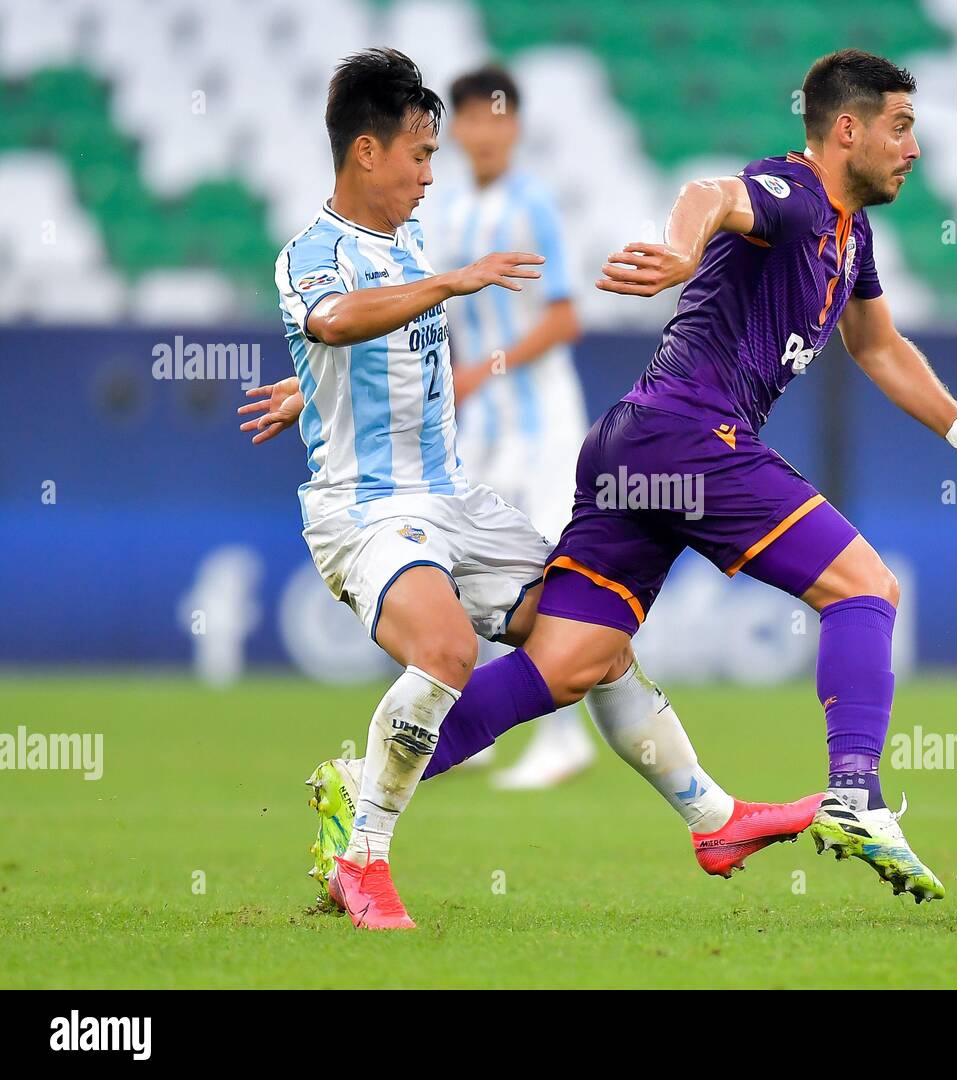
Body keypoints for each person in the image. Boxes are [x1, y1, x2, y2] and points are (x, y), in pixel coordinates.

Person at [248, 47, 822, 931]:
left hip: (454, 500)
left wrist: (306, 385)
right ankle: (361, 858)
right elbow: (331, 318)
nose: (430, 174)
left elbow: (350, 343)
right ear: (367, 152)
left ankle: (715, 820)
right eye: (418, 155)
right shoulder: (314, 252)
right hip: (367, 511)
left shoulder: (400, 240)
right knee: (443, 653)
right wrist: (441, 285)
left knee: (590, 635)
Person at [430, 65, 596, 790]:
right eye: (468, 118)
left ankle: (564, 741)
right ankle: (478, 722)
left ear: (513, 125)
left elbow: (564, 317)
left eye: (493, 116)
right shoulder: (452, 210)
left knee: (551, 579)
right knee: (467, 572)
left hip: (543, 425)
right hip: (484, 426)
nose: (482, 130)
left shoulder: (533, 205)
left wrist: (484, 368)